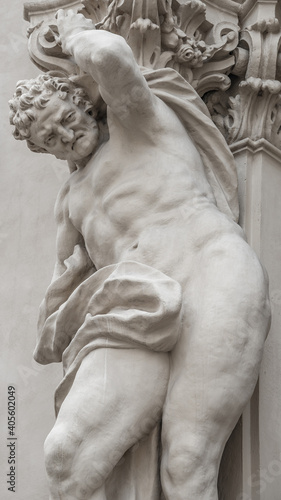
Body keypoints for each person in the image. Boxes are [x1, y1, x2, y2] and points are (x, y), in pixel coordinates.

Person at [9, 9, 271, 500]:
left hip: (209, 272)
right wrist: (65, 301)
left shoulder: (139, 121)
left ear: (84, 102)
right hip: (136, 307)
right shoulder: (70, 204)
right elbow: (53, 321)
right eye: (50, 137)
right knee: (66, 458)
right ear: (44, 151)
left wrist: (73, 37)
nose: (64, 135)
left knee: (187, 462)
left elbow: (110, 56)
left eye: (66, 118)